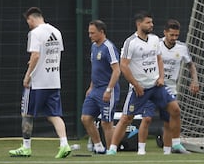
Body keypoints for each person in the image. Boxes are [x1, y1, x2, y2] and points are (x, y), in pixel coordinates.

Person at [106, 11, 189, 155]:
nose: (151, 25)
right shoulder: (130, 42)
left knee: (175, 110)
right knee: (126, 118)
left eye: (151, 22)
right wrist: (136, 85)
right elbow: (124, 66)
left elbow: (159, 59)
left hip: (156, 86)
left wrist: (161, 77)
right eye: (148, 22)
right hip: (139, 88)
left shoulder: (154, 39)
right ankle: (112, 149)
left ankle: (176, 145)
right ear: (139, 24)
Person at [9, 7, 71, 158]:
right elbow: (53, 54)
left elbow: (36, 55)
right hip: (54, 80)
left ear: (31, 18)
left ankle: (26, 147)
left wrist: (28, 76)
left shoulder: (35, 33)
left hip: (37, 82)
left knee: (26, 113)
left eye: (28, 21)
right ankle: (64, 144)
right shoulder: (56, 32)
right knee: (54, 114)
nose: (28, 24)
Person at [137, 19, 199, 155]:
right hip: (152, 87)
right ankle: (141, 150)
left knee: (169, 120)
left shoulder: (182, 48)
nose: (174, 38)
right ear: (165, 33)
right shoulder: (155, 45)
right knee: (146, 118)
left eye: (176, 35)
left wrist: (195, 81)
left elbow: (191, 65)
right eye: (171, 35)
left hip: (170, 89)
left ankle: (168, 151)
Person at [81, 20, 121, 154]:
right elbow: (96, 68)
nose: (90, 35)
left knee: (106, 122)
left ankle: (111, 150)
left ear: (101, 32)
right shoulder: (94, 46)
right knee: (86, 118)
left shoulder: (108, 47)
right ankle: (99, 147)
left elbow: (117, 70)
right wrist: (91, 87)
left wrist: (109, 90)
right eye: (89, 33)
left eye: (92, 33)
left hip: (107, 90)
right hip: (95, 90)